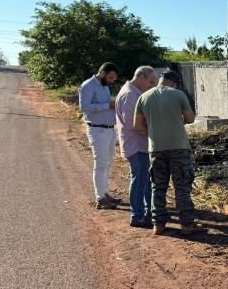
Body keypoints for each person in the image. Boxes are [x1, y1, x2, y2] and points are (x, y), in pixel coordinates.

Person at [134, 70, 205, 236]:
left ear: (161, 80)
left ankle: (158, 225)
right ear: (174, 83)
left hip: (155, 149)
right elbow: (190, 118)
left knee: (158, 186)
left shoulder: (143, 97)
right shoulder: (178, 94)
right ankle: (187, 224)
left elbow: (137, 125)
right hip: (179, 147)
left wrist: (153, 130)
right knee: (182, 187)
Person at [115, 66, 156, 227]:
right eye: (150, 82)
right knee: (139, 180)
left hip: (140, 144)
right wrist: (155, 131)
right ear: (140, 77)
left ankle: (146, 212)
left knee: (144, 180)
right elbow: (135, 125)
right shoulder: (130, 96)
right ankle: (137, 215)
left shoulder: (134, 93)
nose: (151, 86)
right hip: (137, 145)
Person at [79, 62, 121, 209]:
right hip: (97, 130)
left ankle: (104, 193)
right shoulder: (88, 85)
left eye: (113, 79)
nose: (112, 81)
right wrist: (107, 105)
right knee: (100, 164)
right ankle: (100, 198)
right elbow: (84, 107)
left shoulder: (104, 86)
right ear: (102, 73)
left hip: (109, 129)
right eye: (110, 77)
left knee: (107, 162)